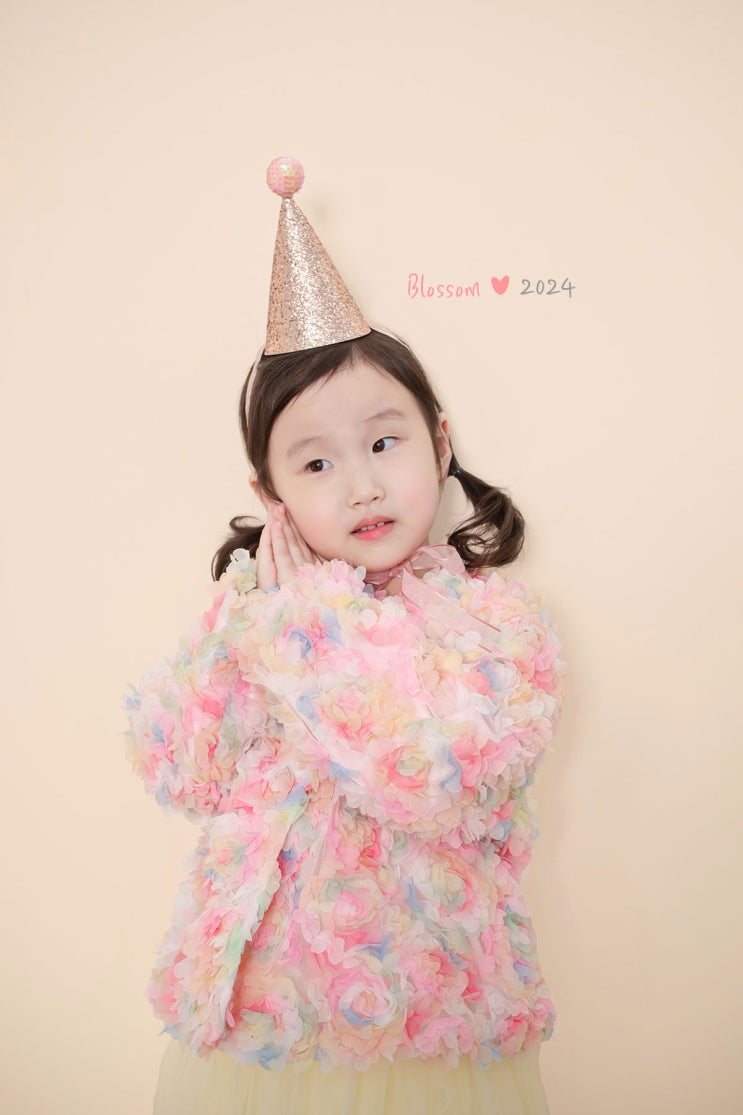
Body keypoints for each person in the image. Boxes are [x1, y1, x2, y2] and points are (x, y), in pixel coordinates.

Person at [123, 158, 567, 1115]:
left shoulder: (495, 624)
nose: (361, 484)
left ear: (438, 443)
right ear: (271, 495)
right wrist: (253, 618)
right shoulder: (260, 615)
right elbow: (181, 769)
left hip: (430, 1023)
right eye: (316, 463)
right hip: (260, 1025)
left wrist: (310, 630)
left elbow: (431, 779)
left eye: (384, 442)